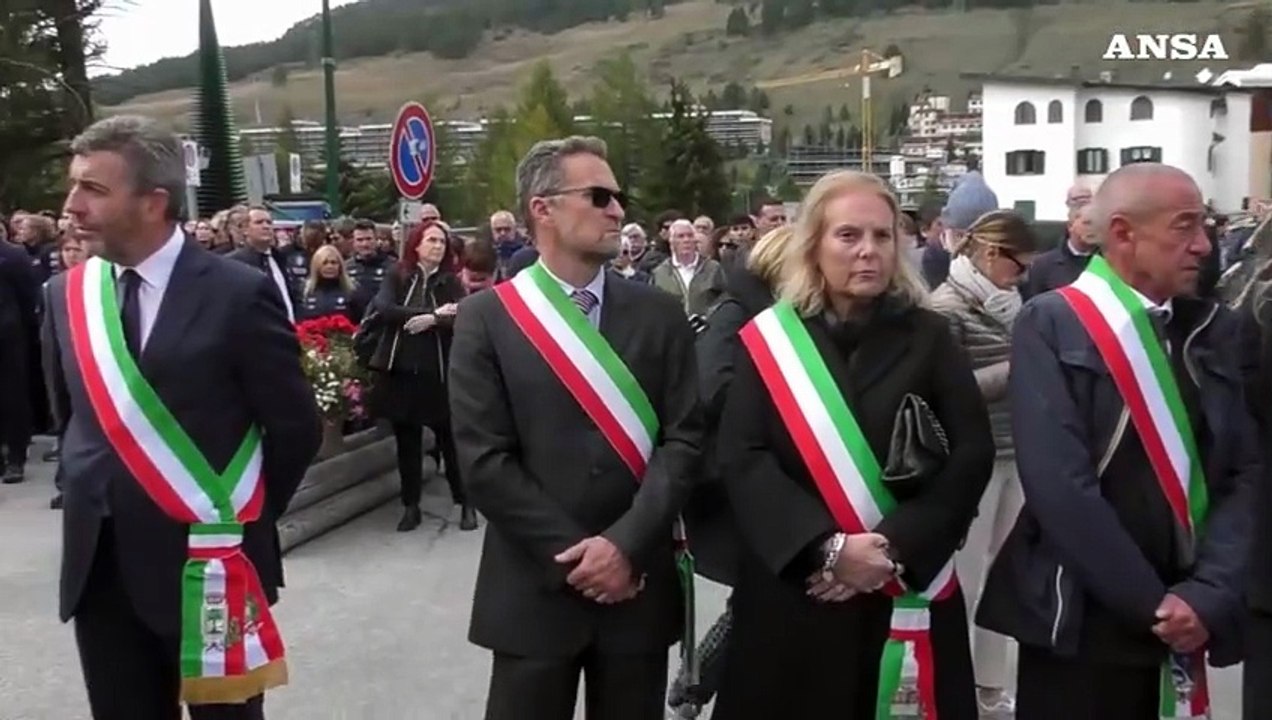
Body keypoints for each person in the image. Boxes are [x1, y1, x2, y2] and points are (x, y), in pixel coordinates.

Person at [44, 115, 321, 720]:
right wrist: (81, 490)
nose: (71, 206)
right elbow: (71, 419)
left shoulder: (236, 292)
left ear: (153, 202)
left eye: (94, 189)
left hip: (211, 564)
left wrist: (239, 516)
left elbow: (296, 426)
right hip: (101, 568)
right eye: (74, 186)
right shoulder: (65, 296)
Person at [977, 163, 1258, 719]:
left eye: (1205, 226)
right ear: (1125, 233)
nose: (1204, 245)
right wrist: (1155, 607)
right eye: (1185, 227)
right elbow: (1062, 488)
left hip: (1191, 608)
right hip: (1082, 621)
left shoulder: (1214, 330)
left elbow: (1244, 472)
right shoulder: (1053, 324)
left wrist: (1207, 594)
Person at [711, 170, 995, 720]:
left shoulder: (931, 336)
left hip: (903, 588)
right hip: (799, 592)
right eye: (848, 236)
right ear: (813, 244)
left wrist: (889, 550)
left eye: (882, 236)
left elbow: (970, 455)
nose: (868, 251)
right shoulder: (768, 341)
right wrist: (828, 550)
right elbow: (743, 458)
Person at [449, 136, 703, 720]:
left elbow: (686, 439)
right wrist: (579, 559)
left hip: (637, 590)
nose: (618, 210)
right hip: (532, 594)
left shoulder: (658, 314)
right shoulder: (488, 319)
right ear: (542, 208)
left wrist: (625, 547)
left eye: (618, 196)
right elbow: (483, 460)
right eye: (598, 195)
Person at [929, 210, 1040, 715]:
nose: (1022, 275)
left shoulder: (1014, 304)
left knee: (1003, 575)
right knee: (967, 577)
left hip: (1018, 450)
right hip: (973, 459)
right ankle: (954, 679)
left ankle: (990, 683)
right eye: (1018, 264)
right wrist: (1016, 370)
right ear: (992, 254)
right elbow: (946, 392)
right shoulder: (945, 308)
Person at [367, 220, 473, 533]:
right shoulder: (399, 274)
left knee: (451, 443)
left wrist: (434, 320)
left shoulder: (450, 281)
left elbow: (464, 314)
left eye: (442, 242)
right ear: (416, 244)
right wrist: (427, 316)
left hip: (439, 375)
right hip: (401, 373)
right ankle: (410, 506)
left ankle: (465, 502)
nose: (437, 247)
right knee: (407, 445)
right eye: (431, 241)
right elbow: (384, 308)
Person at [297, 245, 363, 324]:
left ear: (340, 266)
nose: (330, 266)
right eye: (324, 263)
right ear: (317, 266)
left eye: (333, 262)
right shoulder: (304, 290)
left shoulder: (352, 290)